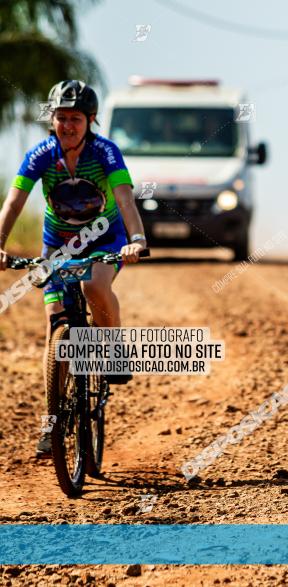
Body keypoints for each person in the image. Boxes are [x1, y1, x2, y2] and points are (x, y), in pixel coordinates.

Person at [0, 80, 147, 458]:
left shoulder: (106, 153)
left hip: (105, 239)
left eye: (76, 119)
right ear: (52, 119)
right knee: (56, 328)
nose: (68, 125)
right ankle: (52, 423)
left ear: (91, 121)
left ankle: (113, 350)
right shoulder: (40, 155)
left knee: (93, 289)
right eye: (61, 118)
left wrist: (137, 239)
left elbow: (125, 200)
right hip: (57, 245)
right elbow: (14, 203)